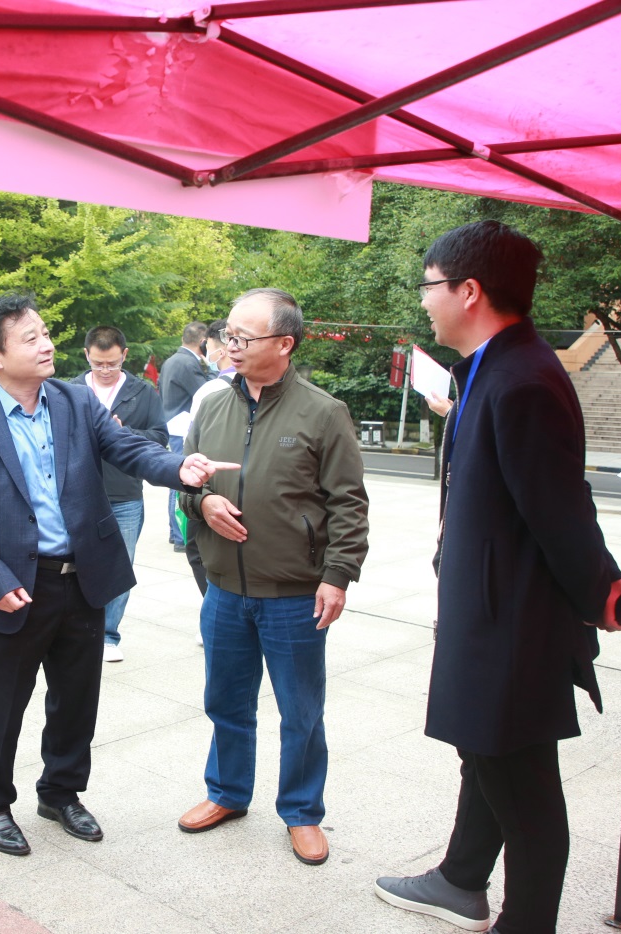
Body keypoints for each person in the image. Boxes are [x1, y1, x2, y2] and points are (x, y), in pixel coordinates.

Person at [373, 221, 621, 934]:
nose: (423, 299)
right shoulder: (494, 367)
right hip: (490, 609)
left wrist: (607, 594)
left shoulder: (521, 379)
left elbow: (560, 511)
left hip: (510, 625)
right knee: (485, 751)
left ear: (468, 290)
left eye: (429, 285)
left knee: (521, 786)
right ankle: (460, 878)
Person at [0, 292, 235, 857]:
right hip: (16, 587)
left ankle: (60, 792)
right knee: (3, 703)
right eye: (30, 338)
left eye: (46, 333)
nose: (47, 344)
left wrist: (181, 468)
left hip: (83, 579)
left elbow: (129, 449)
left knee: (77, 699)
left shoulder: (75, 401)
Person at [176, 288, 369, 867]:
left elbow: (348, 503)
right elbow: (186, 485)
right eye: (228, 335)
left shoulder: (323, 412)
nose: (230, 345)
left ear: (284, 343)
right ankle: (227, 792)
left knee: (300, 711)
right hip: (224, 589)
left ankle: (302, 811)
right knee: (225, 701)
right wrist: (203, 502)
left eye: (244, 336)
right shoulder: (212, 406)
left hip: (293, 594)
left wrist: (338, 574)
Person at [68, 325, 168, 662]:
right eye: (98, 363)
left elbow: (159, 437)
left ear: (124, 355)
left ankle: (108, 635)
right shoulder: (71, 390)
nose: (105, 370)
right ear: (87, 355)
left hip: (124, 493)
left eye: (112, 363)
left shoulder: (143, 392)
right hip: (78, 492)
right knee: (74, 564)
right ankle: (78, 631)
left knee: (119, 566)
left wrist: (125, 432)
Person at [182, 319, 234, 601]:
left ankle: (215, 606)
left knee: (199, 551)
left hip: (209, 487)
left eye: (209, 346)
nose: (207, 353)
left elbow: (190, 445)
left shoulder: (210, 391)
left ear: (222, 347)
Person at [159, 321, 210, 551]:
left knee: (176, 479)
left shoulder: (172, 360)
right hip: (181, 427)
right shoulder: (188, 363)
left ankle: (175, 532)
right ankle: (180, 536)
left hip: (172, 423)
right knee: (181, 479)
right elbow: (206, 393)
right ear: (203, 342)